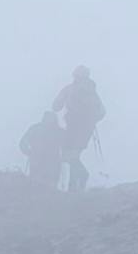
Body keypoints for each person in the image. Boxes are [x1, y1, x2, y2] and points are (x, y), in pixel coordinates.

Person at [50, 65, 106, 193]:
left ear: (75, 75)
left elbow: (55, 106)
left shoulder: (70, 89)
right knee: (73, 156)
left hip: (72, 128)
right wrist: (90, 121)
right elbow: (102, 112)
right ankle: (74, 185)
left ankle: (78, 181)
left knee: (67, 157)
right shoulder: (92, 92)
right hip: (86, 130)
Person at [19, 107, 66, 189]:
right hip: (49, 164)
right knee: (47, 188)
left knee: (37, 187)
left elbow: (22, 143)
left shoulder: (35, 129)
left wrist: (29, 152)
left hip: (44, 163)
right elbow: (68, 145)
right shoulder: (58, 131)